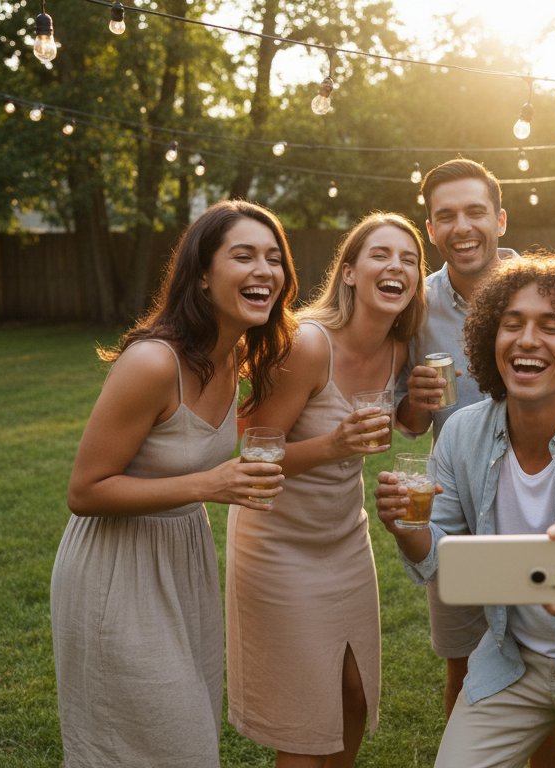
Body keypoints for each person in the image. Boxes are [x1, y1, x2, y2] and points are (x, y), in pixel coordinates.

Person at [375, 254, 555, 767]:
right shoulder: (463, 434)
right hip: (513, 662)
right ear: (491, 340)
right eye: (511, 325)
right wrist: (409, 528)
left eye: (551, 327)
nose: (527, 340)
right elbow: (442, 558)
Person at [52, 200, 296, 768]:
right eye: (243, 256)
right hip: (116, 570)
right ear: (203, 276)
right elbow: (85, 491)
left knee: (187, 730)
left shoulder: (237, 353)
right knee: (160, 745)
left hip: (183, 565)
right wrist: (208, 483)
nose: (265, 270)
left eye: (274, 258)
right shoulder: (151, 363)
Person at [226, 212, 426, 767]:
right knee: (305, 716)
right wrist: (333, 446)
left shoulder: (398, 351)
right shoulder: (309, 346)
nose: (397, 266)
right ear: (350, 274)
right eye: (381, 255)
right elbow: (251, 457)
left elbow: (403, 425)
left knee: (354, 694)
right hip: (278, 543)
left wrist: (419, 407)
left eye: (409, 259)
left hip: (344, 537)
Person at [394, 158, 555, 765]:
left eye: (473, 212)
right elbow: (408, 423)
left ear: (500, 217)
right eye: (446, 216)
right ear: (431, 228)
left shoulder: (547, 288)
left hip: (542, 494)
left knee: (547, 661)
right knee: (468, 665)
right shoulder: (417, 306)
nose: (461, 227)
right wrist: (414, 406)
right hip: (459, 505)